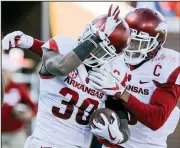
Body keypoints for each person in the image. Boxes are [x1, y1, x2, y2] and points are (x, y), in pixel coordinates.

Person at [2, 5, 132, 148]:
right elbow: (60, 66)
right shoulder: (62, 46)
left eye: (99, 47)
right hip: (44, 144)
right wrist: (96, 38)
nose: (91, 46)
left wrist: (119, 136)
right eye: (90, 36)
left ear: (111, 56)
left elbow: (123, 118)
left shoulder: (113, 74)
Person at [88, 8, 180, 148]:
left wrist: (120, 92)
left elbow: (156, 119)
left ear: (156, 44)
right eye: (129, 39)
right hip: (110, 141)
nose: (130, 47)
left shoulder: (167, 65)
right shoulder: (114, 55)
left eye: (137, 43)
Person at [2, 54, 38, 148]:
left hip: (15, 134)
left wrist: (28, 114)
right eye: (6, 71)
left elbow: (34, 106)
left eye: (9, 71)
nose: (9, 73)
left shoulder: (18, 87)